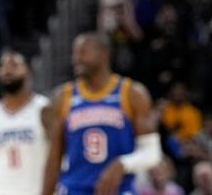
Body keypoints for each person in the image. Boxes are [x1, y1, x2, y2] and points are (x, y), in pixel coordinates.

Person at [42, 32, 162, 195]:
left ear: (104, 53)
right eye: (74, 53)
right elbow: (54, 158)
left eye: (83, 52)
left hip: (118, 189)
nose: (76, 58)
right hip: (75, 188)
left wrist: (122, 164)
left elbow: (152, 153)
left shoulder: (132, 93)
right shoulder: (62, 97)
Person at [0, 51, 51, 195]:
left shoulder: (44, 109)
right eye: (2, 66)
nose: (7, 70)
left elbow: (57, 158)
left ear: (29, 72)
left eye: (14, 65)